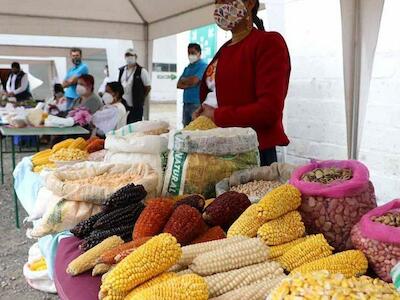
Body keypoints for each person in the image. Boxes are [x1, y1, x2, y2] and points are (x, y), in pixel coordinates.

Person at [194, 0, 291, 166]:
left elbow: (268, 110)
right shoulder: (224, 49)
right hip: (218, 147)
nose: (220, 5)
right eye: (217, 1)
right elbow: (216, 93)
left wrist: (217, 116)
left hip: (252, 152)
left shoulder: (268, 42)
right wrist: (203, 110)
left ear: (249, 3)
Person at [177, 43, 208, 126]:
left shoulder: (203, 66)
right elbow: (179, 84)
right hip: (186, 102)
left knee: (195, 128)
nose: (190, 55)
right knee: (186, 128)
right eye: (189, 53)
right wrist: (191, 83)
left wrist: (186, 81)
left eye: (193, 53)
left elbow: (194, 80)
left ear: (199, 53)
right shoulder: (188, 67)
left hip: (197, 103)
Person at [118, 48, 151, 124]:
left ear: (136, 57)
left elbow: (148, 87)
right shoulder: (122, 70)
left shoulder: (141, 71)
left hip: (136, 105)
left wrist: (141, 97)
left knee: (135, 125)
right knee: (123, 123)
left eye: (131, 55)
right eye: (127, 55)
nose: (129, 57)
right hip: (123, 104)